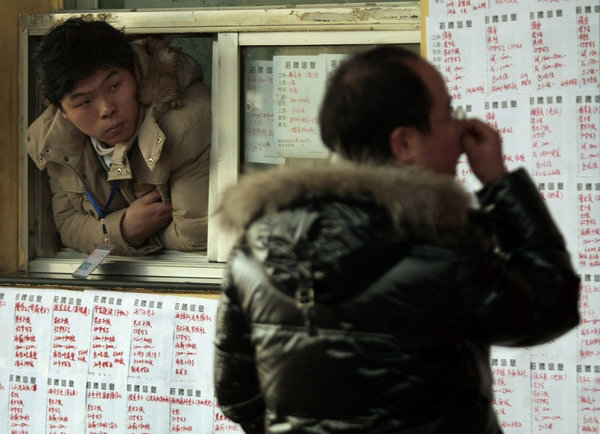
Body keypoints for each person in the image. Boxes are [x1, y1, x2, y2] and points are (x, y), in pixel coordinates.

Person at [213, 46, 580, 433]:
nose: (460, 129)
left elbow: (237, 393)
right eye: (448, 113)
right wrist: (499, 183)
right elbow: (551, 305)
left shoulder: (254, 248)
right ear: (404, 143)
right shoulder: (442, 248)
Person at [26, 18, 210, 256]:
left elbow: (196, 234)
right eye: (84, 102)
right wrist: (124, 229)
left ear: (135, 72)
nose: (106, 109)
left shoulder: (184, 123)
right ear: (62, 110)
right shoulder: (53, 143)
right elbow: (68, 224)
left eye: (114, 87)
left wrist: (110, 235)